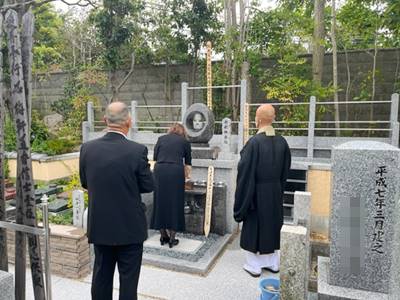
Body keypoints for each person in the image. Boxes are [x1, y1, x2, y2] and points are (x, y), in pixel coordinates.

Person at [79, 102, 154, 300]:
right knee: (128, 281)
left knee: (101, 277)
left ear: (105, 121)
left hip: (101, 225)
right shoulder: (137, 151)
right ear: (129, 122)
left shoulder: (87, 149)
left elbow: (85, 183)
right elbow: (148, 185)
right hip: (130, 227)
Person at [234, 104, 291, 277]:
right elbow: (286, 169)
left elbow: (245, 173)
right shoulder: (282, 142)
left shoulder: (253, 143)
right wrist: (278, 188)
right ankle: (273, 263)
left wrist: (242, 200)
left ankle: (254, 265)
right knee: (272, 224)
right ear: (273, 119)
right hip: (275, 190)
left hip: (256, 192)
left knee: (255, 225)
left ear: (258, 120)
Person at [150, 123, 192, 248]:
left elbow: (155, 157)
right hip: (175, 172)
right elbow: (188, 163)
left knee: (160, 201)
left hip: (160, 170)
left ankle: (163, 236)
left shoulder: (161, 139)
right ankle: (172, 238)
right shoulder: (184, 142)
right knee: (175, 202)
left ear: (170, 130)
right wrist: (187, 177)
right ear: (182, 132)